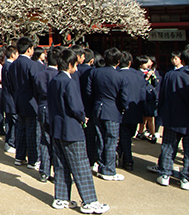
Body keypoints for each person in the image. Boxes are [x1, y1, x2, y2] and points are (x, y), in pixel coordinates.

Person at [48, 48, 109, 214]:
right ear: (69, 65)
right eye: (74, 64)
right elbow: (76, 107)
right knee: (81, 164)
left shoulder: (54, 80)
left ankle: (61, 198)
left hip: (58, 127)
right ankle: (89, 201)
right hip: (71, 128)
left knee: (61, 164)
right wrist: (83, 118)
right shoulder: (69, 82)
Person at [87, 47, 128, 181]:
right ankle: (109, 169)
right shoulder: (120, 76)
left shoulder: (95, 73)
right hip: (112, 109)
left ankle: (101, 165)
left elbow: (89, 92)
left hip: (98, 107)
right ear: (118, 61)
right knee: (111, 140)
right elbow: (123, 97)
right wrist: (122, 108)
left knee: (100, 139)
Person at [152, 47, 189, 190]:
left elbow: (162, 97)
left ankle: (165, 174)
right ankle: (185, 178)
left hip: (172, 116)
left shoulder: (170, 75)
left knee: (168, 146)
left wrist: (161, 114)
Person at [7, 37, 41, 170]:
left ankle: (19, 156)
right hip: (31, 101)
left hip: (18, 99)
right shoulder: (32, 65)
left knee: (20, 129)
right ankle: (33, 159)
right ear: (29, 49)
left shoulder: (12, 65)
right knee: (32, 132)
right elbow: (37, 84)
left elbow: (10, 83)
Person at [35, 46, 61, 183]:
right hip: (55, 109)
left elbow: (35, 92)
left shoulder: (40, 74)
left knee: (44, 140)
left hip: (42, 106)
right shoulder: (59, 76)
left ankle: (44, 171)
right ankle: (58, 172)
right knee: (56, 142)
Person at [117, 51, 146, 171]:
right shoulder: (138, 75)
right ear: (130, 63)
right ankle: (126, 157)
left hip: (122, 110)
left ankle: (125, 157)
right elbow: (143, 94)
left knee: (125, 135)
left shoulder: (117, 74)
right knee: (128, 135)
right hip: (135, 109)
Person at [2, 45, 19, 153]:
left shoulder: (6, 65)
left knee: (9, 120)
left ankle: (8, 141)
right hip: (11, 97)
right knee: (14, 121)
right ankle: (11, 142)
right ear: (13, 54)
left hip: (7, 97)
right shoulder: (10, 66)